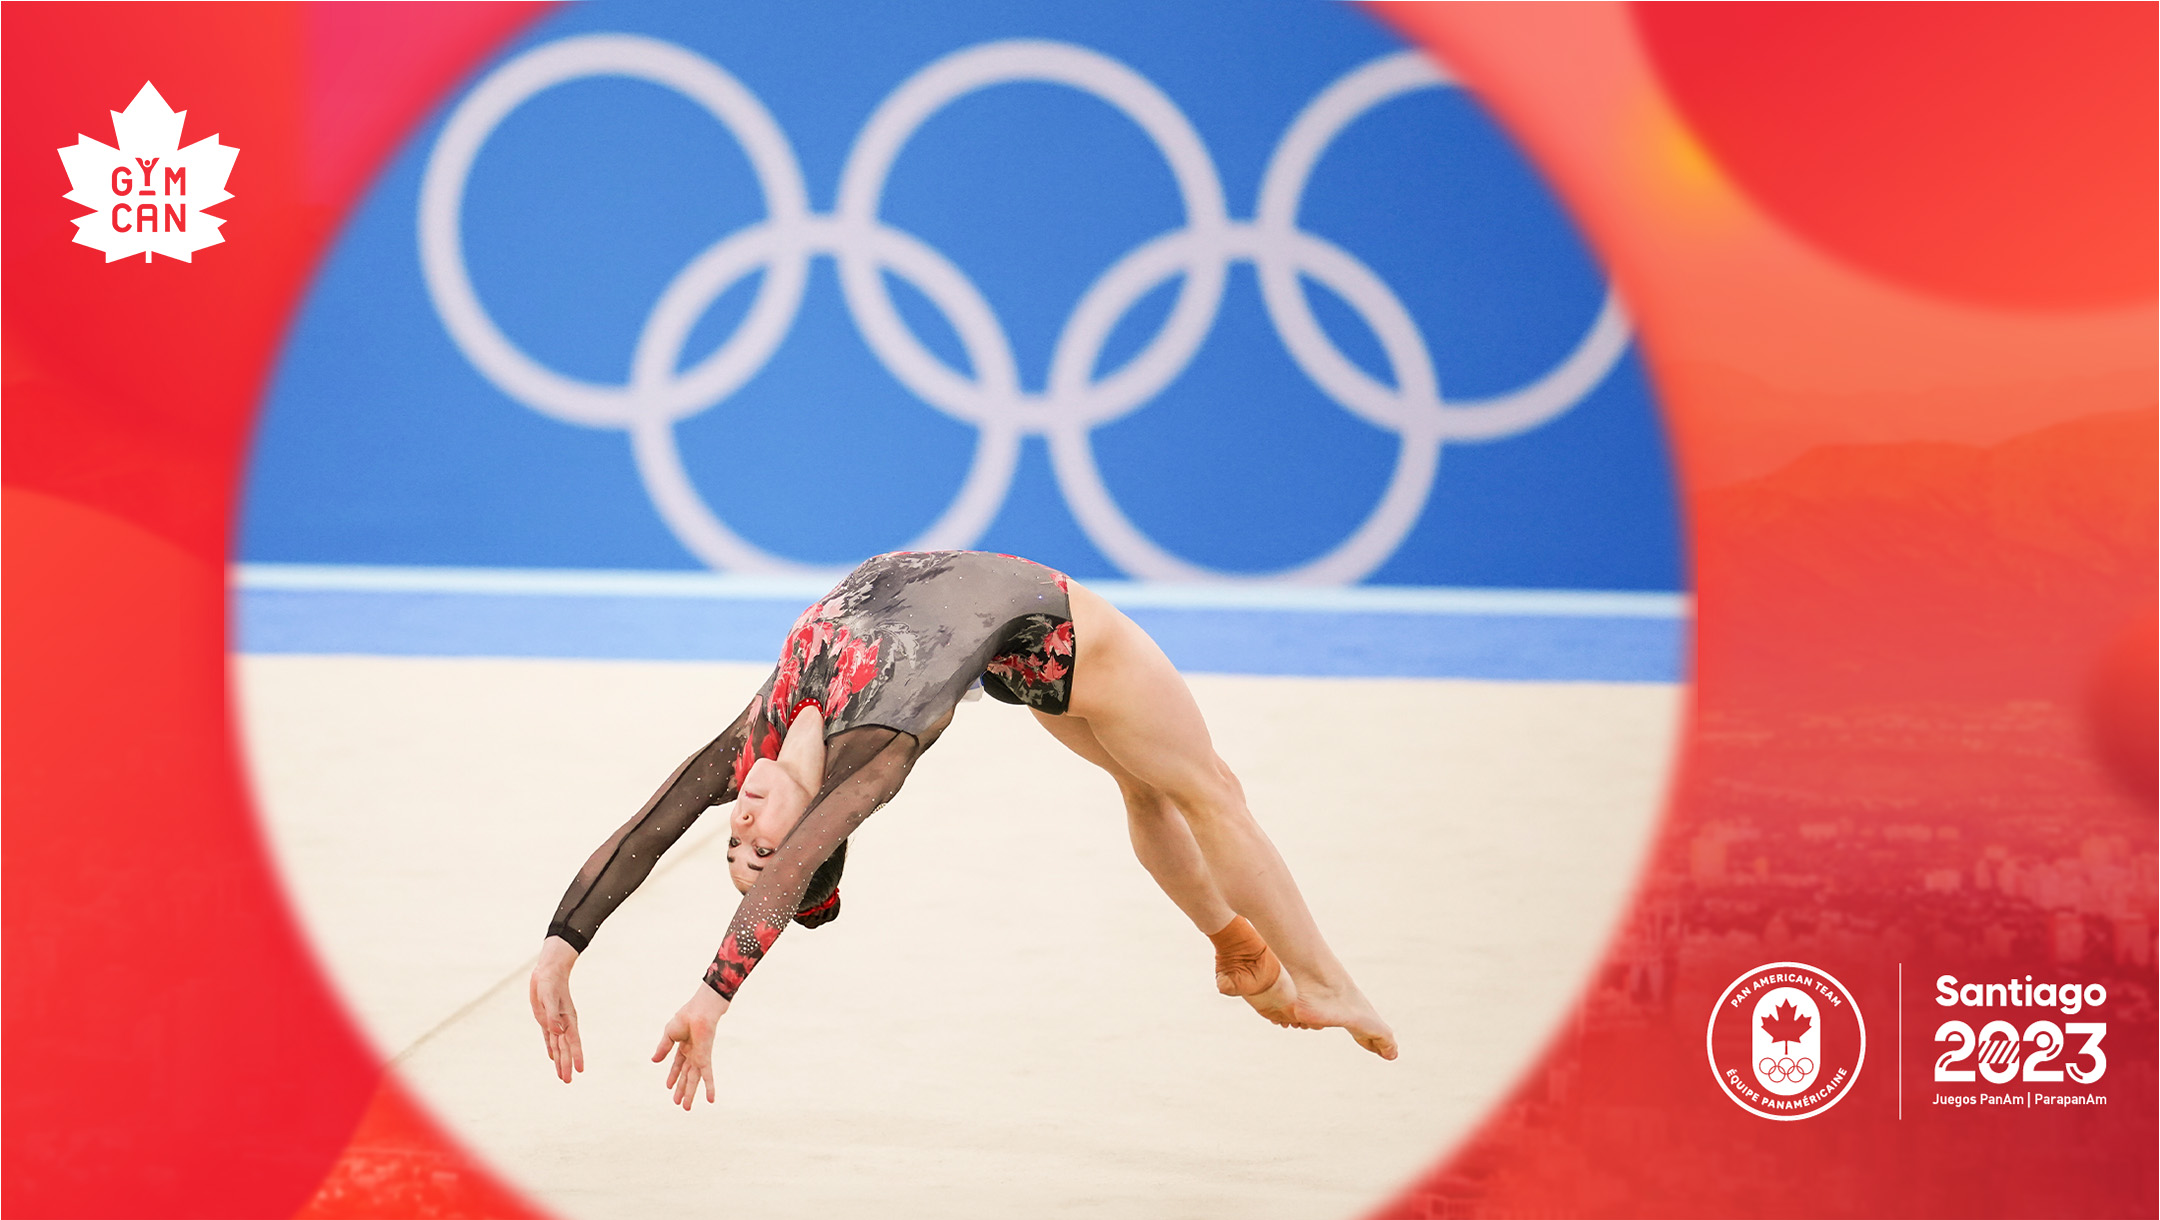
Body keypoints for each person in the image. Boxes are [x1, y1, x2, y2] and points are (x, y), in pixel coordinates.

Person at [528, 551, 1396, 1110]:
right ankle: (1324, 984)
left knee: (1151, 793)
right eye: (764, 850)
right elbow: (795, 872)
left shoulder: (751, 741)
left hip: (1003, 632)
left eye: (735, 842)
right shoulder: (874, 752)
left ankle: (1235, 943)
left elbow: (644, 831)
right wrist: (716, 996)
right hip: (1058, 633)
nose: (746, 824)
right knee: (1211, 792)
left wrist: (560, 947)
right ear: (814, 838)